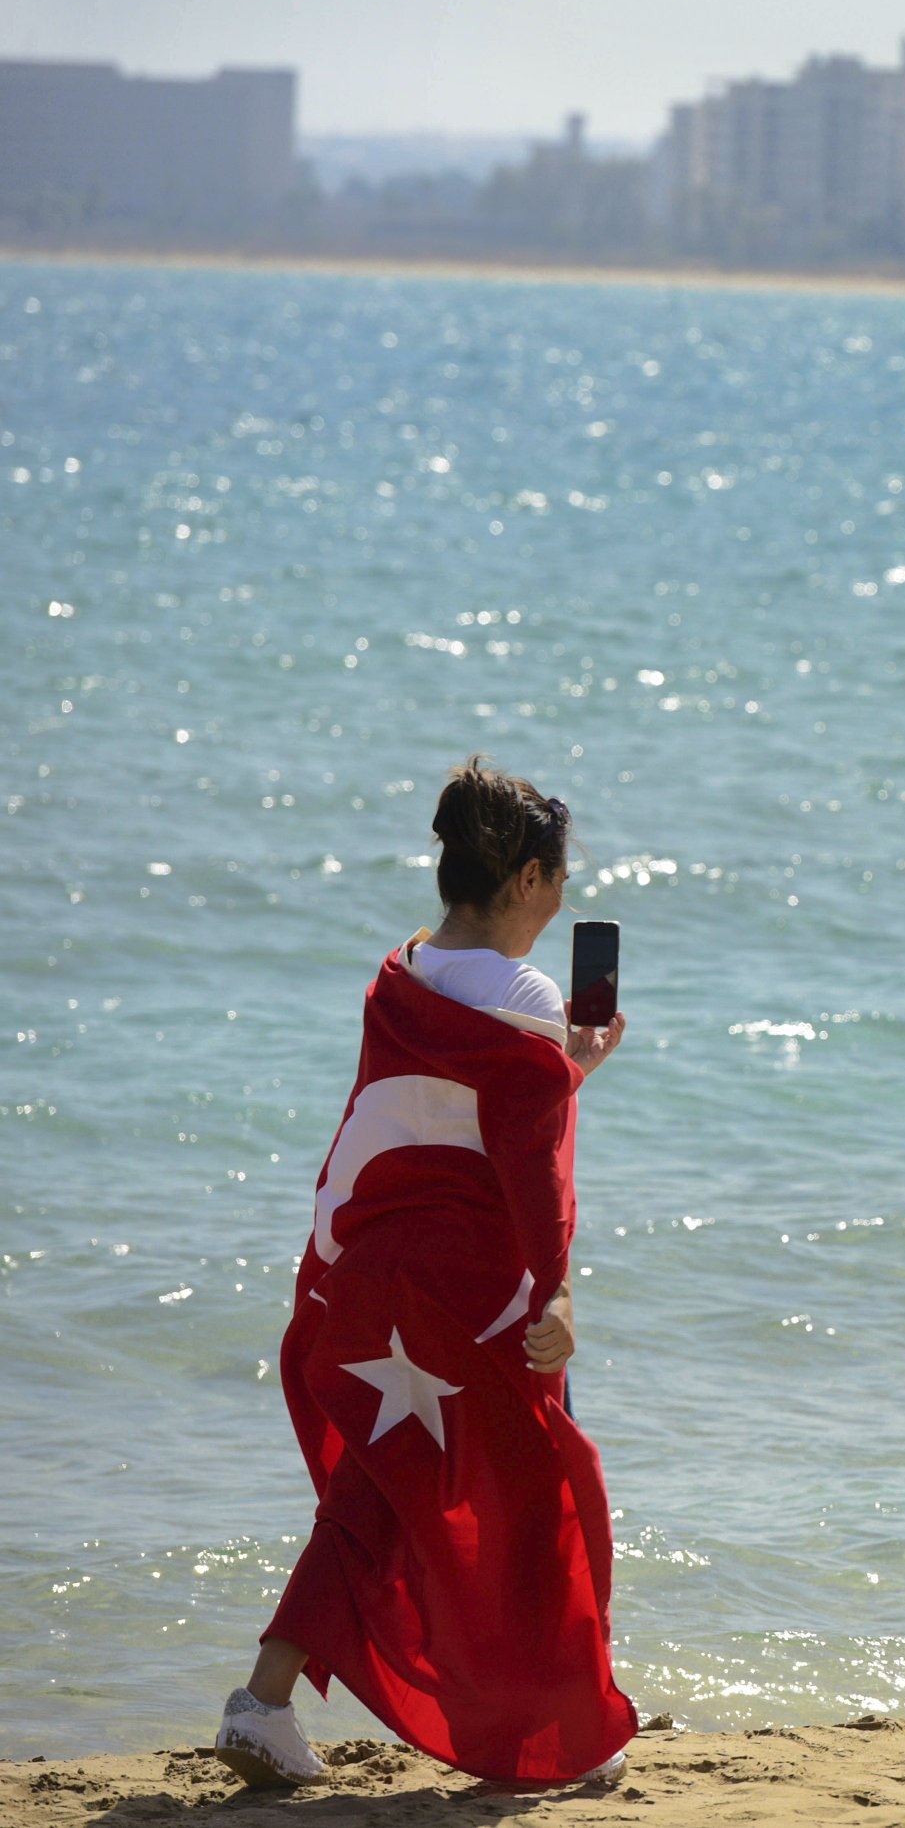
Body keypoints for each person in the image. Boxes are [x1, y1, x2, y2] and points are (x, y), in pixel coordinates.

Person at [212, 758, 639, 1788]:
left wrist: (563, 1065)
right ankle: (553, 1740)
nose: (564, 901)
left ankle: (263, 1703)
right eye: (560, 879)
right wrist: (559, 1292)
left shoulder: (400, 970)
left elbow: (410, 1110)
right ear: (529, 878)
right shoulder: (528, 995)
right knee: (543, 1488)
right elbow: (530, 1159)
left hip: (365, 1269)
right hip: (467, 1293)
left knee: (385, 1478)